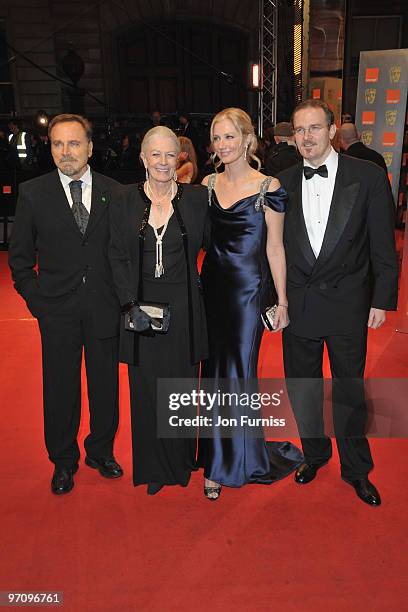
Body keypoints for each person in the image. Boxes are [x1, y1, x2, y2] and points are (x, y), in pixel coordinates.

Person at [278, 99, 398, 506]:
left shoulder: (367, 176)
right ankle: (314, 453)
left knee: (349, 390)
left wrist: (381, 298)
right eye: (299, 130)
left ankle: (357, 470)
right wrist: (274, 302)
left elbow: (384, 243)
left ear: (332, 130)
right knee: (303, 387)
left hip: (348, 301)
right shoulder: (282, 181)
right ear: (292, 136)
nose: (307, 137)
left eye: (314, 128)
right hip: (299, 303)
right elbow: (271, 249)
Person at [8, 114, 123, 495]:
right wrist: (38, 301)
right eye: (58, 144)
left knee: (104, 385)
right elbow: (20, 259)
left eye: (74, 143)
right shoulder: (33, 193)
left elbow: (122, 253)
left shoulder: (115, 191)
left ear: (90, 147)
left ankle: (101, 451)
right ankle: (62, 461)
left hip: (104, 307)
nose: (65, 152)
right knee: (60, 388)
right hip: (56, 309)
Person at [198, 107, 303, 500]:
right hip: (211, 288)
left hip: (247, 291)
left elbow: (275, 249)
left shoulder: (268, 187)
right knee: (212, 374)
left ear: (247, 140)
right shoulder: (207, 184)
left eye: (230, 136)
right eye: (217, 137)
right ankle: (215, 458)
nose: (223, 144)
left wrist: (283, 301)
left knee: (238, 373)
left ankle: (230, 463)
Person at [109, 126, 209, 495]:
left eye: (171, 154)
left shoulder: (197, 199)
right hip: (139, 307)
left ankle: (180, 462)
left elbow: (219, 248)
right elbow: (116, 255)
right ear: (143, 158)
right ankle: (153, 468)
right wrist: (127, 303)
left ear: (178, 158)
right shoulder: (123, 199)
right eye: (156, 154)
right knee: (147, 389)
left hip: (184, 308)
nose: (164, 162)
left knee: (181, 388)